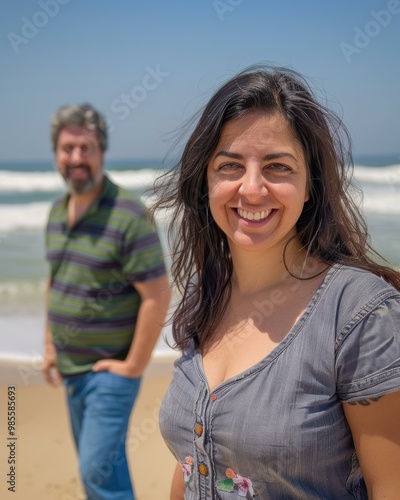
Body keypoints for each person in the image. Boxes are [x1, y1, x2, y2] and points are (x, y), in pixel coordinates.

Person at [152, 66, 400, 499]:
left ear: (310, 186)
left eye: (277, 167)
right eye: (229, 165)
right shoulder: (205, 298)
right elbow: (192, 462)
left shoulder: (361, 314)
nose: (251, 189)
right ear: (205, 182)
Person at [42, 103, 171, 500]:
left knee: (96, 470)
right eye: (68, 149)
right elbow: (55, 281)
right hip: (71, 370)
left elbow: (157, 294)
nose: (76, 158)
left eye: (86, 148)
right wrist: (50, 346)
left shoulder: (129, 215)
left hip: (108, 373)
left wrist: (132, 367)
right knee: (100, 474)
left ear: (101, 152)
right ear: (56, 154)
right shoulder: (56, 212)